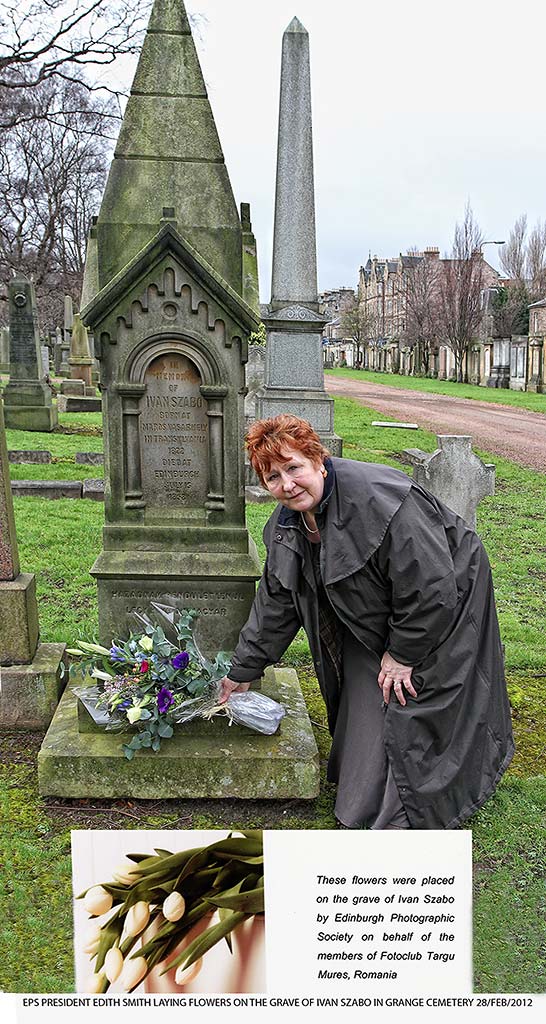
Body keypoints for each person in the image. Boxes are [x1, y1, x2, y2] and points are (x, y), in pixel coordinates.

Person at [219, 415, 514, 830]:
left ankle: (414, 797)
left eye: (294, 468)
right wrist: (243, 669)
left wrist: (403, 653)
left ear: (318, 460)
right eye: (272, 477)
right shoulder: (286, 525)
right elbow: (277, 602)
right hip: (384, 604)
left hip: (448, 590)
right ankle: (364, 773)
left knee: (411, 688)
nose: (286, 485)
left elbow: (431, 586)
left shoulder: (379, 499)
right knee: (367, 679)